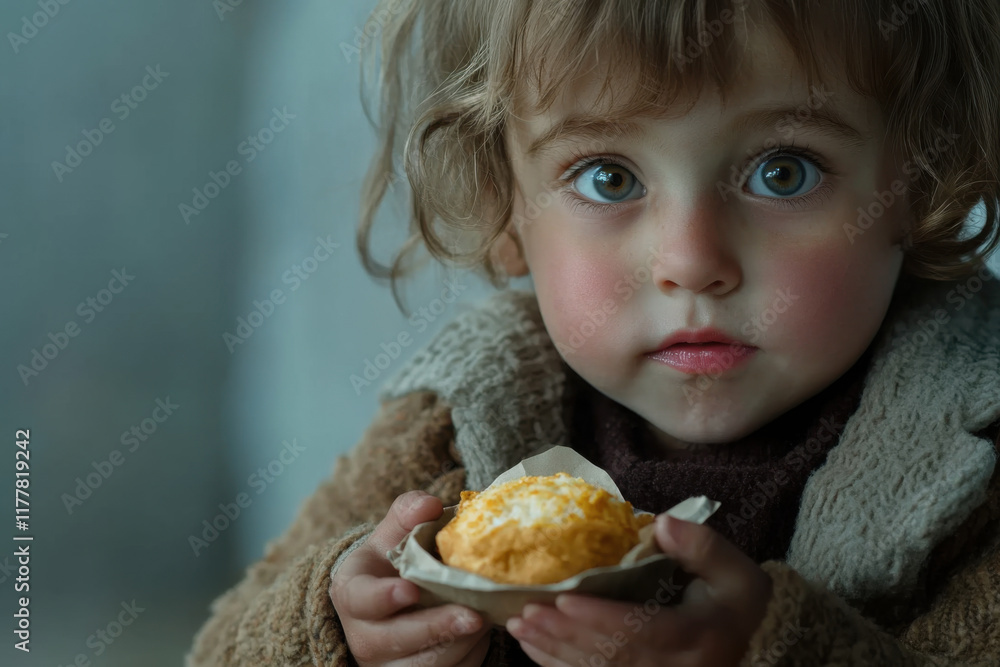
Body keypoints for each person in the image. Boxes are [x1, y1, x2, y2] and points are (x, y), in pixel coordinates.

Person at [187, 1, 1000, 665]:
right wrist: (341, 631)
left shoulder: (976, 454)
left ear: (921, 180)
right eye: (608, 177)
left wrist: (781, 653)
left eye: (782, 170)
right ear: (508, 206)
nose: (690, 262)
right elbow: (223, 648)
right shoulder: (451, 422)